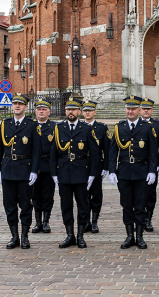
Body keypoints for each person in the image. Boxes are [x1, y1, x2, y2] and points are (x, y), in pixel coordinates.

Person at [108, 95, 158, 250]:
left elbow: (153, 152)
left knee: (140, 205)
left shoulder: (148, 127)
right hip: (124, 172)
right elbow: (112, 151)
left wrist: (152, 171)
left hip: (141, 172)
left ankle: (140, 237)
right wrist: (112, 171)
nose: (130, 111)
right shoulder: (119, 127)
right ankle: (129, 236)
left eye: (133, 109)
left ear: (139, 110)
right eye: (128, 109)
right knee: (126, 205)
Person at [48, 97, 99, 249]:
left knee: (83, 205)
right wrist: (54, 174)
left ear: (79, 112)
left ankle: (81, 236)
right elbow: (54, 153)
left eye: (74, 109)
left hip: (81, 172)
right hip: (63, 172)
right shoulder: (58, 129)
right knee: (66, 205)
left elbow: (94, 153)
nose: (71, 112)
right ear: (66, 111)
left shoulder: (86, 129)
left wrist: (92, 174)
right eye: (68, 109)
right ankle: (70, 235)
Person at [0, 95, 41, 249]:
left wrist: (34, 170)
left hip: (24, 169)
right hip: (8, 169)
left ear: (25, 107)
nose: (17, 106)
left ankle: (24, 236)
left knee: (26, 205)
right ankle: (14, 236)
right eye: (14, 104)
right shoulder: (5, 124)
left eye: (20, 104)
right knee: (9, 206)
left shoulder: (32, 125)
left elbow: (36, 151)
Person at [81, 100, 109, 233]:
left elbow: (107, 150)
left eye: (90, 111)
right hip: (81, 165)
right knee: (83, 195)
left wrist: (106, 167)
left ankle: (94, 221)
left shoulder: (102, 128)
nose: (87, 113)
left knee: (96, 195)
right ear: (82, 112)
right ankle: (85, 221)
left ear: (95, 112)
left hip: (97, 165)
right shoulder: (79, 127)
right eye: (85, 110)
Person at [32, 98, 57, 235]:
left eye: (44, 109)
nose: (41, 112)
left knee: (48, 195)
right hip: (34, 167)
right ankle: (37, 221)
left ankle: (46, 221)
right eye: (39, 109)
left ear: (49, 112)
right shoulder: (30, 126)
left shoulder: (54, 127)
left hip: (48, 166)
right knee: (35, 196)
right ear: (35, 112)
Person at [140, 98, 159, 232]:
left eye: (148, 109)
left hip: (152, 164)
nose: (146, 111)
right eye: (144, 109)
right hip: (138, 165)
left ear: (152, 111)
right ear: (139, 110)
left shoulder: (158, 125)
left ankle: (148, 219)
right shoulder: (135, 124)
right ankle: (139, 219)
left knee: (150, 193)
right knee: (138, 194)